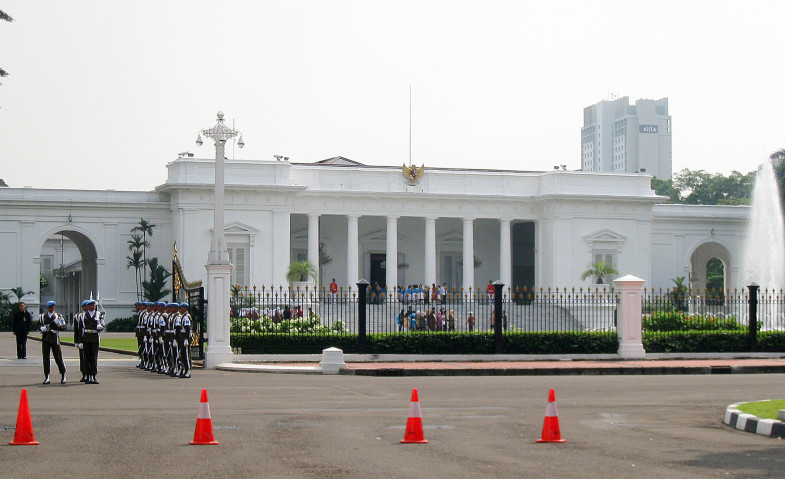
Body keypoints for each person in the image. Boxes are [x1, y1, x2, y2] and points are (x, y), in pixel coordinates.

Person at [76, 299, 104, 384]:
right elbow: (80, 329)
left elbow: (102, 324)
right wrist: (79, 341)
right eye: (90, 305)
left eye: (93, 305)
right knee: (86, 358)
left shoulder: (99, 314)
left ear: (95, 306)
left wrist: (100, 327)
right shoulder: (82, 316)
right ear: (87, 307)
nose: (91, 306)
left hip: (95, 337)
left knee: (94, 358)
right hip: (86, 337)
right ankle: (87, 376)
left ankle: (93, 376)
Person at [38, 300, 67, 384]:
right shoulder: (42, 316)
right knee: (46, 358)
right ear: (47, 308)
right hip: (46, 338)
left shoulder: (58, 316)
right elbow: (38, 325)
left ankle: (63, 374)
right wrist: (41, 328)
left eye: (53, 307)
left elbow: (63, 327)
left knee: (58, 357)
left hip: (54, 338)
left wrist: (58, 324)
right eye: (50, 307)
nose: (51, 308)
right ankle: (47, 376)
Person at [175, 302, 192, 378]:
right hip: (182, 337)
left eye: (181, 308)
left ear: (185, 308)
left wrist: (186, 339)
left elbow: (187, 329)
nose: (180, 309)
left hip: (185, 338)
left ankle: (188, 371)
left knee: (186, 355)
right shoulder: (183, 316)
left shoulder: (186, 317)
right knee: (182, 355)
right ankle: (184, 370)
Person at [74, 300, 89, 381]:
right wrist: (77, 341)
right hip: (82, 339)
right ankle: (84, 374)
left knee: (91, 358)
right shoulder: (78, 317)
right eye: (85, 306)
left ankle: (90, 374)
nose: (86, 307)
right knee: (82, 358)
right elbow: (76, 330)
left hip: (90, 339)